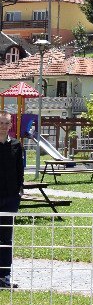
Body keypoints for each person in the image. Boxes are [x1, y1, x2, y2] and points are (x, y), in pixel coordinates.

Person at [0, 112, 24, 289]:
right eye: (0, 122)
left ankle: (5, 276)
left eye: (6, 123)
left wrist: (18, 193)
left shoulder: (16, 145)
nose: (3, 125)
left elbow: (19, 172)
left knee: (6, 239)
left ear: (10, 125)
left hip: (9, 199)